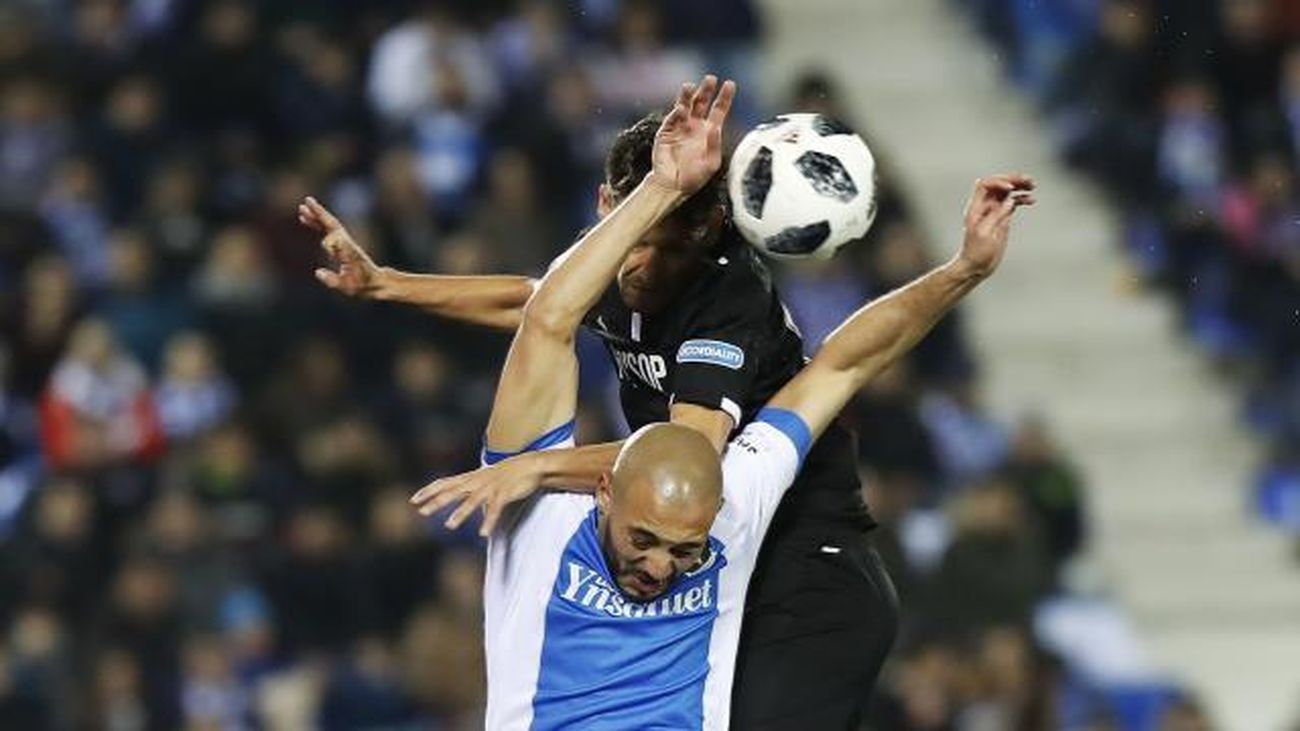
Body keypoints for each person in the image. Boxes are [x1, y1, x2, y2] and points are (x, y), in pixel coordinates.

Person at [303, 74, 1035, 727]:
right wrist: (390, 283)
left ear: (710, 230)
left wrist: (963, 271)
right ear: (607, 209)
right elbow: (540, 307)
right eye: (650, 542)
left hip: (805, 560)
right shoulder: (561, 509)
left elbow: (736, 424)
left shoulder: (724, 397)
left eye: (672, 245)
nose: (659, 566)